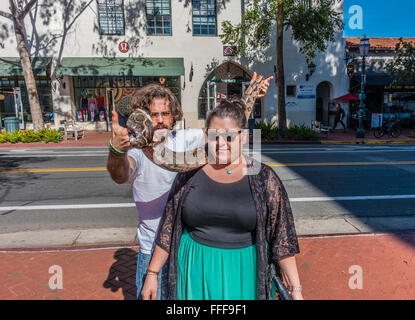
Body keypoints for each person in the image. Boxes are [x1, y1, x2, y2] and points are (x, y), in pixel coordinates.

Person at [106, 76, 273, 300]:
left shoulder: (186, 139)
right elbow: (120, 175)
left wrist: (251, 96)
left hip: (184, 247)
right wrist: (116, 151)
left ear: (173, 115)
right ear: (143, 117)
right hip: (151, 248)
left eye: (165, 114)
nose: (160, 120)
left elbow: (227, 129)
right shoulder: (137, 151)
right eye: (154, 115)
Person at [141, 98, 302, 300]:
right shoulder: (189, 174)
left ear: (243, 137)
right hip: (194, 270)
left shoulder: (263, 178)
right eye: (214, 136)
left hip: (245, 273)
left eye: (229, 137)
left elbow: (282, 239)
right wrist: (152, 274)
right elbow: (169, 227)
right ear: (206, 136)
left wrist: (296, 290)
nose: (221, 144)